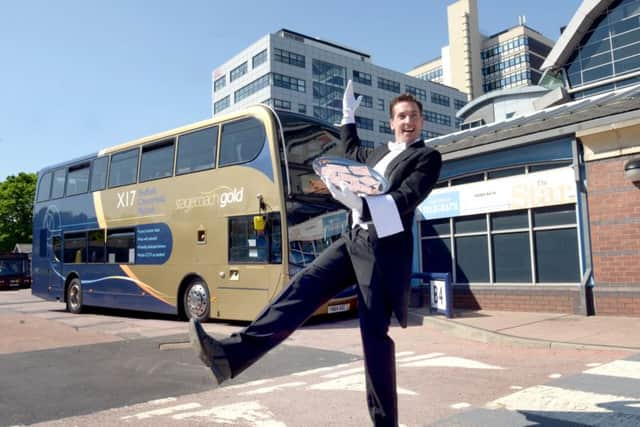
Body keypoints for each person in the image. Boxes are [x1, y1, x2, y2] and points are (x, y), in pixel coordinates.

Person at [189, 80, 442, 426]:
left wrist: (361, 205)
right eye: (401, 116)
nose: (407, 121)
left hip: (383, 253)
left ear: (422, 121)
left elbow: (404, 200)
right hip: (354, 240)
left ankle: (385, 423)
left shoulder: (427, 158)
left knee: (373, 338)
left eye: (413, 116)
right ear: (391, 122)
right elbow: (351, 151)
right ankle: (229, 356)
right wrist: (347, 116)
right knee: (301, 289)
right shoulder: (380, 153)